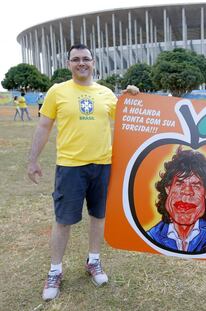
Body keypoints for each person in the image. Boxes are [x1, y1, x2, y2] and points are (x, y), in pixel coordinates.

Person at [27, 43, 139, 302]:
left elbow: (130, 116)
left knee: (98, 216)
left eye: (86, 59)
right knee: (64, 220)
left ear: (93, 62)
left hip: (102, 165)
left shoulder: (106, 93)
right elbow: (44, 126)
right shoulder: (58, 91)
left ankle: (94, 261)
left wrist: (134, 97)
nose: (81, 63)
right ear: (69, 64)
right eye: (75, 59)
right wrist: (32, 160)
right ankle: (55, 271)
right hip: (70, 166)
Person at [147, 148, 206, 253]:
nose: (187, 191)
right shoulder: (152, 237)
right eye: (179, 184)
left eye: (196, 185)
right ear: (168, 188)